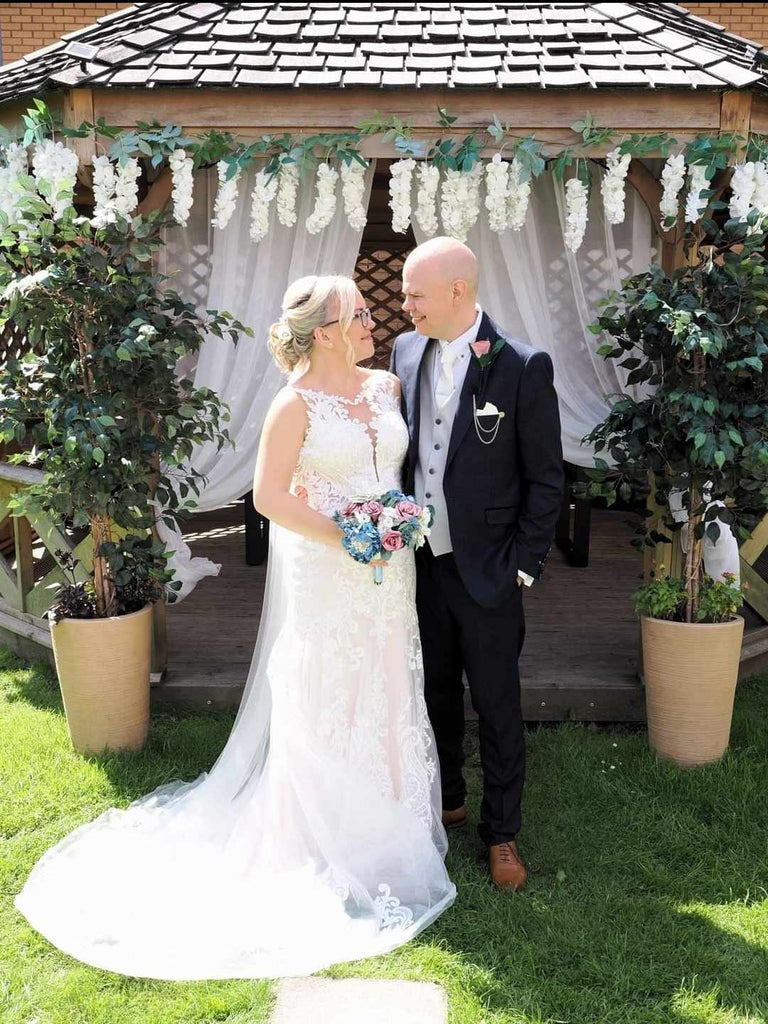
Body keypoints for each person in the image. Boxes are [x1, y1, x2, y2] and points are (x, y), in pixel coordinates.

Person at [13, 274, 456, 980]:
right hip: (330, 568)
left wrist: (392, 522)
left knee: (384, 683)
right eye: (362, 313)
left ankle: (390, 828)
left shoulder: (385, 390)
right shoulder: (293, 404)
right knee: (325, 688)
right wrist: (352, 533)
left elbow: (395, 473)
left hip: (388, 572)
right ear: (329, 329)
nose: (376, 321)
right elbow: (272, 498)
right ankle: (317, 838)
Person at [390, 237, 565, 891]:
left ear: (457, 292)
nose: (405, 306)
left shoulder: (521, 364)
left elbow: (545, 479)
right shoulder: (406, 353)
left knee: (496, 705)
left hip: (492, 570)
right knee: (432, 693)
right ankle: (449, 801)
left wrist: (525, 565)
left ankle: (502, 833)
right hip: (422, 567)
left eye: (415, 294)